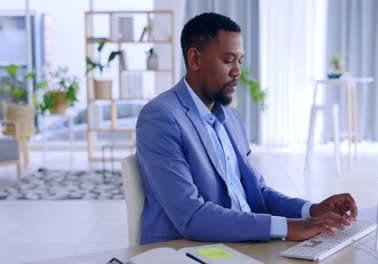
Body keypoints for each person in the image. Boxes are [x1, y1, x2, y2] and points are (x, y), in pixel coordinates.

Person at [135, 12, 358, 245]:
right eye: (228, 60)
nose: (237, 71)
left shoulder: (231, 118)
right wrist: (288, 227)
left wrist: (312, 211)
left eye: (239, 61)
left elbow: (257, 192)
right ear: (195, 59)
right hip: (189, 249)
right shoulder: (161, 117)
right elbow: (191, 216)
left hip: (240, 244)